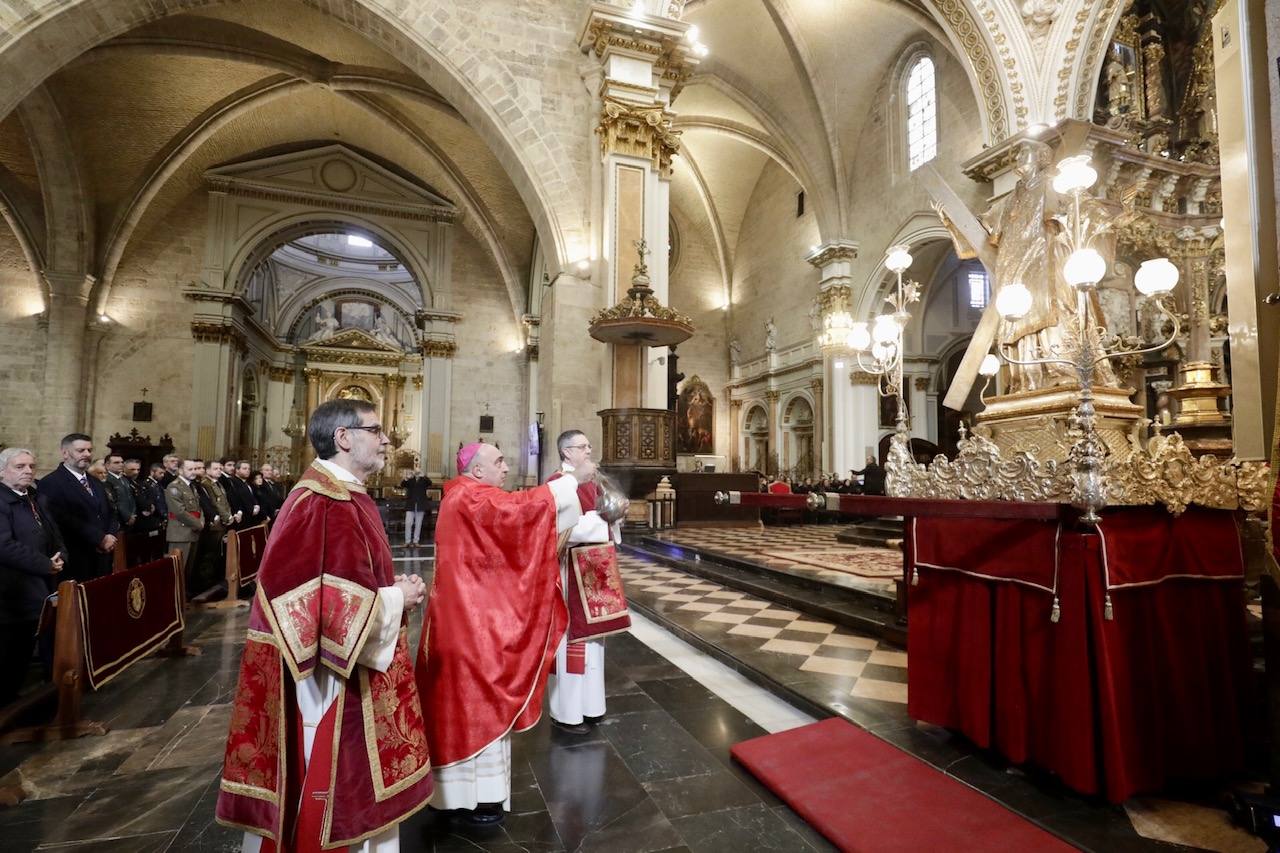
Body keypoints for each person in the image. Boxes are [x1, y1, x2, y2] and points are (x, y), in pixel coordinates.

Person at [216, 399, 432, 852]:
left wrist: (390, 585)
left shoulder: (345, 494)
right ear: (344, 437)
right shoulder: (319, 501)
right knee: (333, 779)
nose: (387, 439)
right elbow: (303, 600)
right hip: (323, 676)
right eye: (376, 430)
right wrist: (397, 598)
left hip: (348, 662)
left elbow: (346, 574)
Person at [418, 441, 593, 826]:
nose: (506, 467)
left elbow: (507, 542)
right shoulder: (469, 498)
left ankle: (481, 796)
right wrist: (567, 481)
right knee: (474, 702)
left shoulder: (469, 495)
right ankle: (466, 799)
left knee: (477, 702)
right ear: (476, 470)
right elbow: (519, 511)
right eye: (498, 461)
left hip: (471, 614)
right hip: (467, 623)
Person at [547, 430, 622, 734]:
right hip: (569, 571)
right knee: (572, 641)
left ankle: (591, 707)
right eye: (582, 447)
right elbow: (565, 529)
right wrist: (604, 519)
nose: (588, 451)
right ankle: (567, 713)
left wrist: (617, 514)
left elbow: (603, 515)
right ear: (567, 452)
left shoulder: (591, 483)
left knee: (594, 642)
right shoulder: (557, 483)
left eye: (589, 446)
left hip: (593, 571)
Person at [0, 448, 64, 707]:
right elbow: (4, 545)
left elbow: (54, 533)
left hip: (39, 585)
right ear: (2, 471)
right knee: (8, 651)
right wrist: (45, 564)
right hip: (11, 591)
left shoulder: (35, 498)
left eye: (31, 466)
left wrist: (61, 556)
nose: (28, 471)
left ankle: (13, 701)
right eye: (20, 466)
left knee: (24, 649)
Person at [38, 434, 118, 581]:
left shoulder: (96, 482)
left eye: (89, 450)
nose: (87, 454)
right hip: (76, 558)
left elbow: (110, 511)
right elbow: (63, 518)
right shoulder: (51, 483)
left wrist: (110, 536)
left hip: (102, 555)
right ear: (65, 453)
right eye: (81, 450)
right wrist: (99, 538)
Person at [165, 458, 205, 590]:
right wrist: (198, 524)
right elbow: (179, 511)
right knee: (178, 569)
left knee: (188, 570)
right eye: (190, 469)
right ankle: (174, 598)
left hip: (192, 531)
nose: (194, 472)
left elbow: (199, 508)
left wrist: (201, 521)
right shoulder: (174, 487)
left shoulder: (191, 486)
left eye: (195, 469)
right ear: (180, 470)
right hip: (180, 533)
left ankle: (183, 597)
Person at [399, 470, 433, 547]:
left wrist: (424, 475)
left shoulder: (424, 480)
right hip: (411, 504)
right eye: (416, 471)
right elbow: (402, 484)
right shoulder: (411, 480)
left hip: (420, 505)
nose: (417, 472)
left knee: (418, 524)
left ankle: (416, 541)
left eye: (418, 471)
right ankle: (407, 541)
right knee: (408, 523)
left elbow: (430, 483)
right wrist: (406, 478)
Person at [104, 454, 137, 531]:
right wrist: (127, 516)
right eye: (116, 462)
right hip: (119, 520)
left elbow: (131, 497)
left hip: (131, 518)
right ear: (107, 465)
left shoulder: (124, 479)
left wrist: (133, 514)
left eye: (122, 462)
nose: (121, 464)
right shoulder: (107, 480)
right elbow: (114, 501)